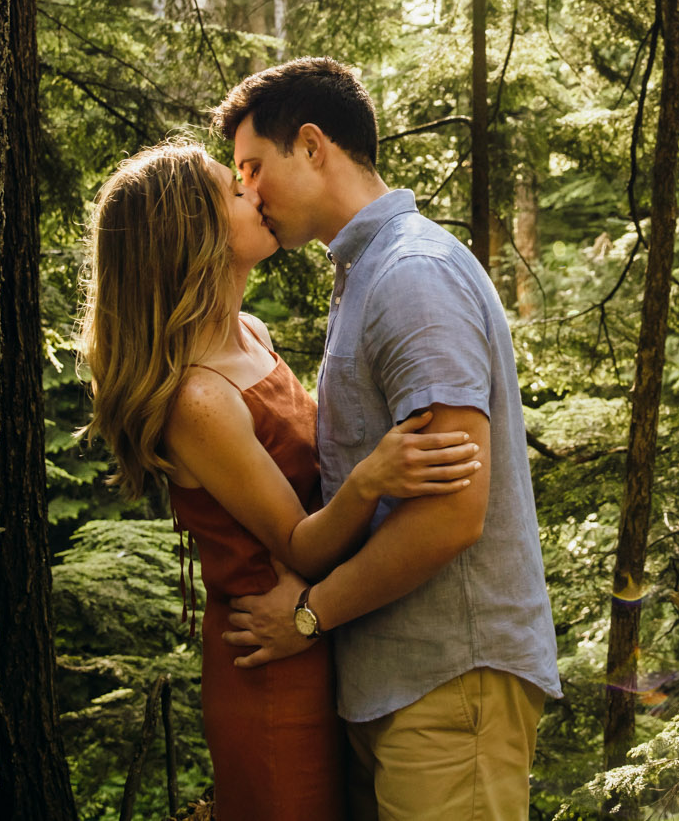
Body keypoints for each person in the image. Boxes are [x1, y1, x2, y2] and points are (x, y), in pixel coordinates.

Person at [77, 138, 484, 821]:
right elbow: (300, 544)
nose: (256, 193)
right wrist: (372, 478)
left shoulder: (252, 333)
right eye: (235, 192)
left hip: (321, 637)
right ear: (194, 237)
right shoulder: (199, 400)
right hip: (271, 660)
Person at [212, 57, 562, 821]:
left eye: (253, 167)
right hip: (402, 690)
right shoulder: (368, 271)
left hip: (449, 687)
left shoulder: (411, 274)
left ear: (311, 145)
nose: (248, 192)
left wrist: (309, 614)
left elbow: (452, 512)